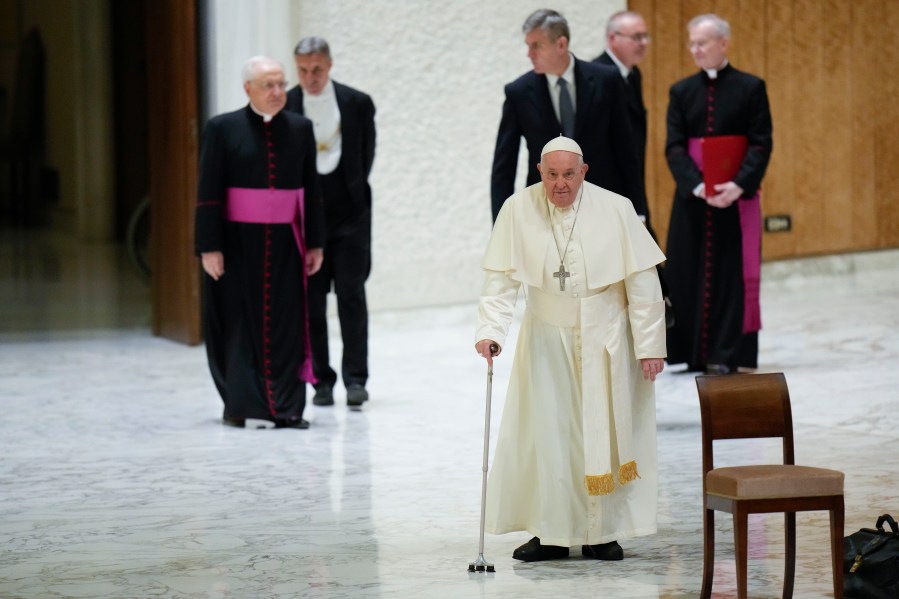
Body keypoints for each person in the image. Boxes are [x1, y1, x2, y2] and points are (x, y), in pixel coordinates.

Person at [475, 136, 667, 562]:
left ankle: (603, 533)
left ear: (584, 171)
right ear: (540, 172)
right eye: (551, 175)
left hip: (607, 339)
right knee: (550, 434)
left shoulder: (615, 208)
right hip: (545, 338)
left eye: (568, 174)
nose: (560, 184)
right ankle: (553, 534)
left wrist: (650, 345)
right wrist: (491, 331)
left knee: (608, 433)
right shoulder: (517, 209)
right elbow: (501, 280)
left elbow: (642, 282)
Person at [195, 56, 325, 429]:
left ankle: (287, 408)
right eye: (268, 85)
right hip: (236, 245)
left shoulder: (300, 128)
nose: (277, 92)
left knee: (286, 324)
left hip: (286, 244)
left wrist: (315, 243)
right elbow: (208, 191)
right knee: (238, 325)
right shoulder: (222, 128)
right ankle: (240, 404)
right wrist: (209, 246)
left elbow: (311, 190)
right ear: (247, 88)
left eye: (282, 84)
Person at [663, 14, 773, 375]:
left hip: (735, 200)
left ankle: (730, 353)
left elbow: (761, 143)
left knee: (733, 277)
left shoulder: (751, 87)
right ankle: (693, 353)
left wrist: (737, 184)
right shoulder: (681, 92)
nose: (694, 50)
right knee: (687, 272)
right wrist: (699, 187)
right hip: (693, 201)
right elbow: (674, 147)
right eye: (691, 43)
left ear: (723, 43)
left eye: (702, 43)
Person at [285, 37, 376, 408]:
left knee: (352, 296)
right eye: (303, 70)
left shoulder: (357, 103)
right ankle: (320, 379)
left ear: (330, 65)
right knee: (311, 299)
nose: (311, 78)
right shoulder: (288, 104)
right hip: (306, 218)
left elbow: (365, 155)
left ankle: (356, 378)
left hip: (350, 216)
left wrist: (351, 196)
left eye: (317, 69)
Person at [490, 8, 644, 223]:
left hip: (602, 207)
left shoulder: (606, 79)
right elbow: (504, 168)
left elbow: (626, 151)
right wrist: (501, 225)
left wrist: (638, 211)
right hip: (544, 212)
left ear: (561, 44)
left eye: (537, 46)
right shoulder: (518, 92)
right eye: (528, 45)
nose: (529, 54)